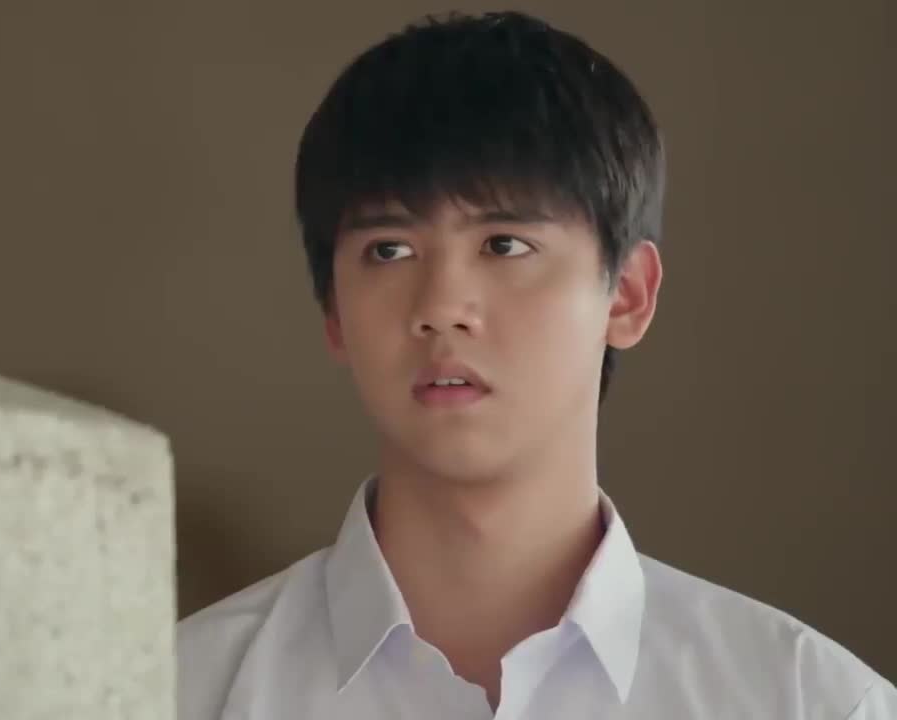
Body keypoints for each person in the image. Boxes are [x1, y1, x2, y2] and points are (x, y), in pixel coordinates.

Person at [175, 10, 896, 720]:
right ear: (334, 312)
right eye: (388, 250)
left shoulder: (811, 702)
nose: (442, 307)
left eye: (504, 244)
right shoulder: (176, 693)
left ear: (627, 294)